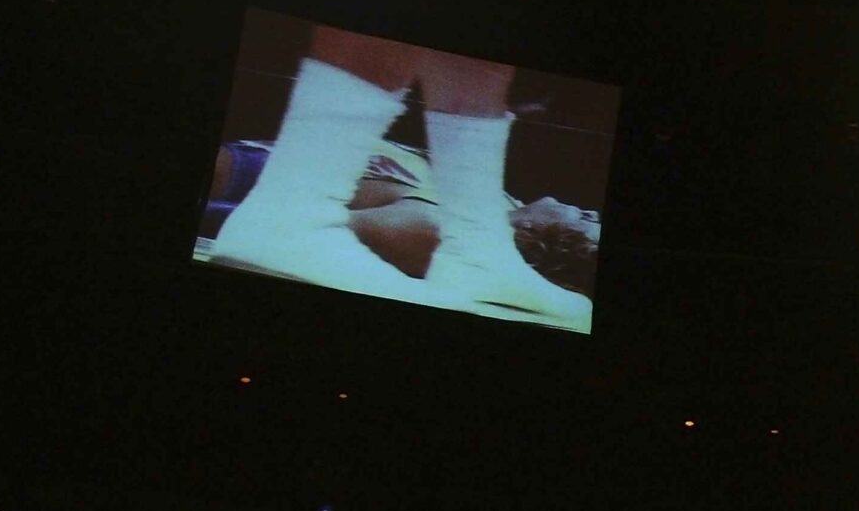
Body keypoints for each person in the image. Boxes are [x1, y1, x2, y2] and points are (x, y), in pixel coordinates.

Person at [206, 24, 592, 330]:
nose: (588, 212)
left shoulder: (447, 217)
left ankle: (477, 250)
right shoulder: (443, 214)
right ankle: (292, 212)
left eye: (590, 223)